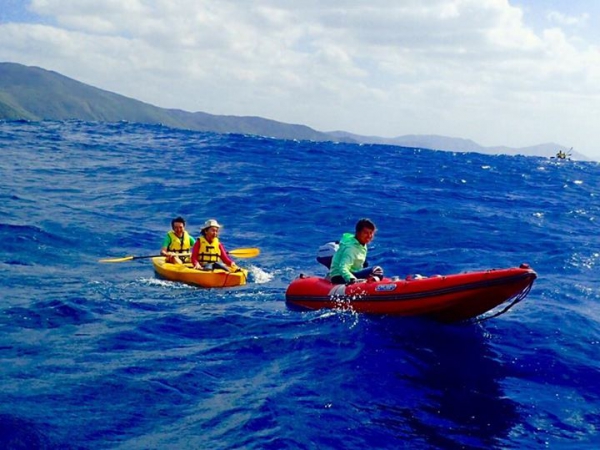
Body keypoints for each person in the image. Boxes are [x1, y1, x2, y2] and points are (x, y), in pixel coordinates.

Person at [328, 218, 384, 285]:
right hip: (340, 277)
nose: (369, 236)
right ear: (358, 233)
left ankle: (369, 284)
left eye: (371, 233)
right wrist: (353, 280)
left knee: (366, 265)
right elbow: (342, 267)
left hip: (350, 273)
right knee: (377, 270)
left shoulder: (361, 244)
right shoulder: (351, 248)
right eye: (366, 233)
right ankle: (370, 286)